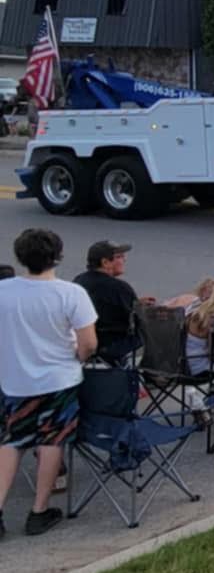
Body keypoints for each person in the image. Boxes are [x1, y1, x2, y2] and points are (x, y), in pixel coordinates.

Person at [0, 227, 98, 540]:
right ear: (57, 256)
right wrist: (77, 356)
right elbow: (88, 343)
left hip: (15, 380)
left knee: (11, 442)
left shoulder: (4, 291)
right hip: (58, 379)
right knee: (52, 441)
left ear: (21, 257)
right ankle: (39, 510)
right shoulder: (70, 294)